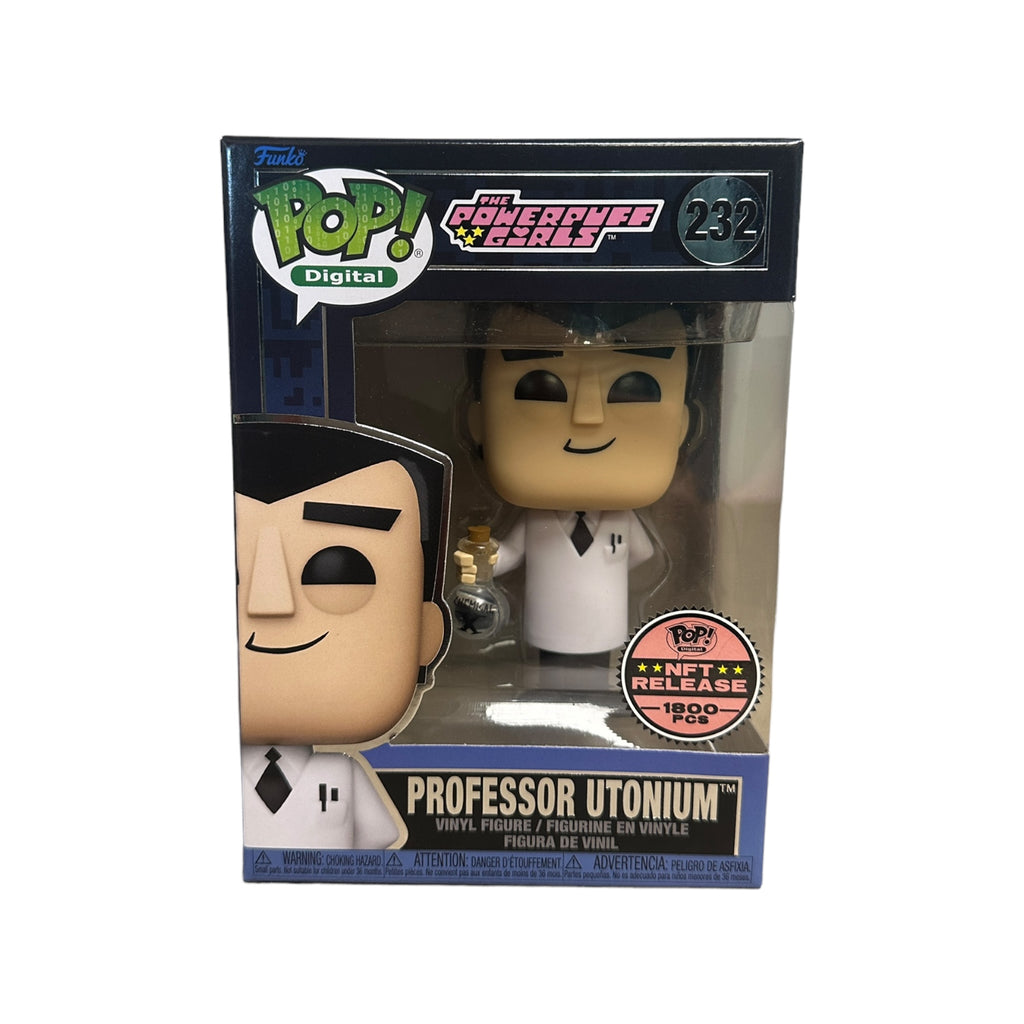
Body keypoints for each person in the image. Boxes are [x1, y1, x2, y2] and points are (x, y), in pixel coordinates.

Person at [233, 417, 450, 848]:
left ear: (426, 632)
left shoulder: (342, 776)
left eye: (339, 571)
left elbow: (383, 852)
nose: (270, 605)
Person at [461, 303, 701, 656]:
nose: (588, 416)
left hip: (606, 625)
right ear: (479, 424)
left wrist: (610, 567)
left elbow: (645, 554)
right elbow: (510, 554)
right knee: (546, 670)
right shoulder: (538, 520)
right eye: (541, 389)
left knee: (598, 670)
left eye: (635, 388)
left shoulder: (618, 519)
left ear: (681, 428)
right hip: (546, 625)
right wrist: (484, 558)